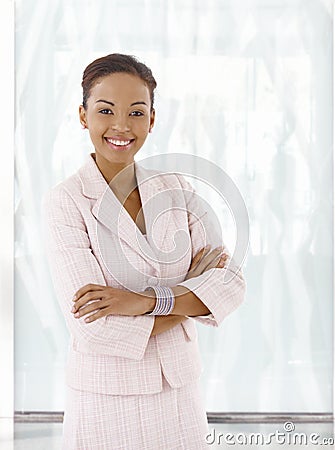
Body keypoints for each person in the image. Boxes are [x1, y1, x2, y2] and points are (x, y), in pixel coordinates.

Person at [42, 53, 246, 450]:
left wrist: (139, 302)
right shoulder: (66, 202)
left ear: (152, 119)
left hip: (180, 395)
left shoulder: (177, 188)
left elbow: (230, 282)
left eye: (137, 112)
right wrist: (190, 295)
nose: (121, 125)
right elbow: (95, 328)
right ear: (83, 116)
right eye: (106, 110)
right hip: (106, 399)